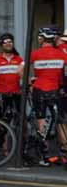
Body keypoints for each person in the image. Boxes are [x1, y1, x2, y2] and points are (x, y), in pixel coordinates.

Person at [30, 27, 67, 166]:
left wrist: (30, 82)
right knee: (59, 121)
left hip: (39, 90)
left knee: (41, 120)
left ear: (42, 38)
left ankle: (45, 154)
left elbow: (23, 70)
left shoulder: (35, 53)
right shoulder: (61, 54)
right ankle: (65, 151)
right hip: (55, 90)